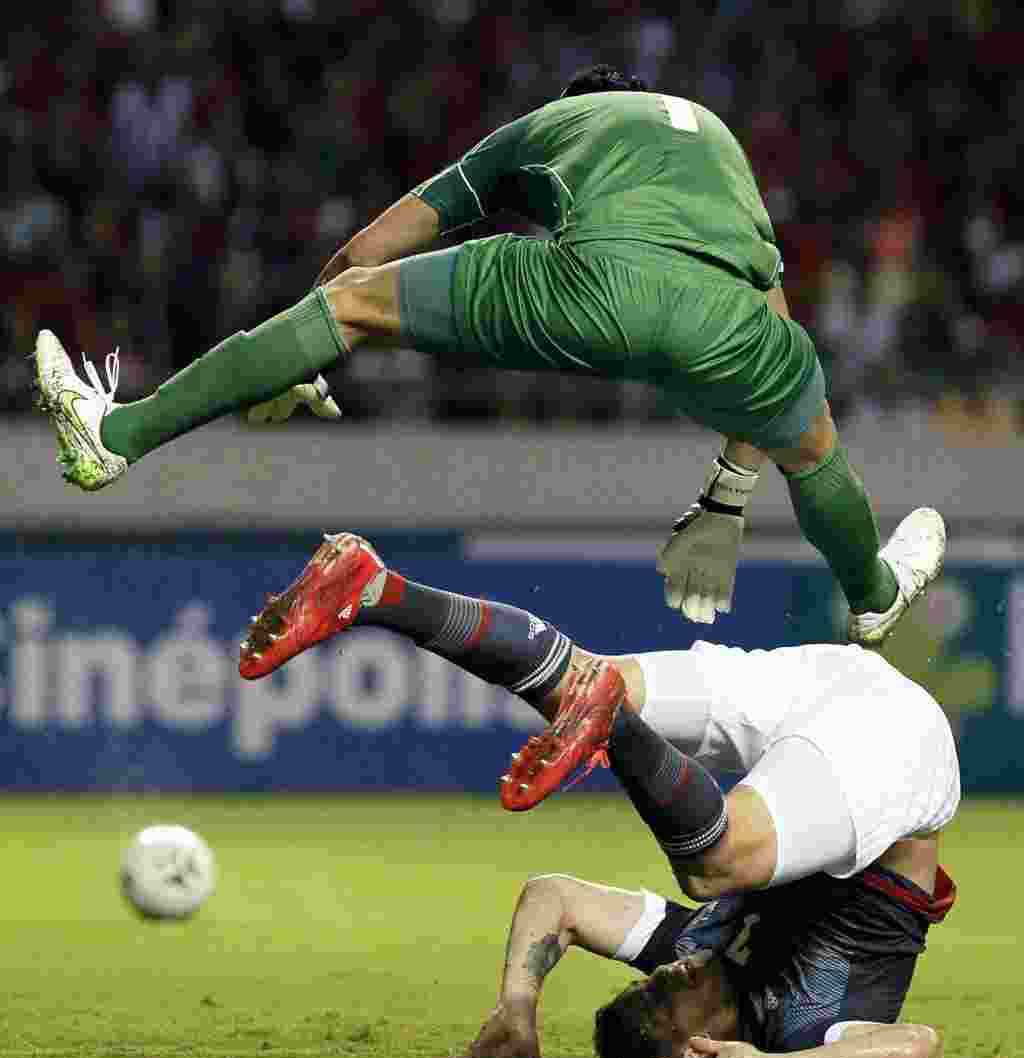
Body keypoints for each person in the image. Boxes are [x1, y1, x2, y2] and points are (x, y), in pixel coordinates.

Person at [34, 64, 944, 645]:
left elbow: (363, 258)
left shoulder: (550, 126)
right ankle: (870, 593)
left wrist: (303, 358)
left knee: (351, 306)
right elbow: (772, 319)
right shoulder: (721, 141)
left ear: (574, 101)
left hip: (595, 285)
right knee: (815, 442)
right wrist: (726, 501)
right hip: (732, 325)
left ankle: (118, 432)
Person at [232, 531, 959, 1058]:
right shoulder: (804, 1030)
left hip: (829, 690)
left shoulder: (694, 953)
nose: (666, 974)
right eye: (665, 1000)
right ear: (700, 1050)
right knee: (717, 861)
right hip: (901, 748)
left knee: (577, 683)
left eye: (649, 984)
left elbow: (556, 898)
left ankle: (380, 591)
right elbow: (918, 1046)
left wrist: (518, 1004)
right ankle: (612, 720)